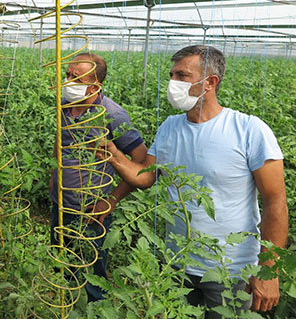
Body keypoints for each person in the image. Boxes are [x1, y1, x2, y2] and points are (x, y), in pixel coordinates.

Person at [103, 45, 288, 317]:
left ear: (210, 83)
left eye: (182, 76)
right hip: (176, 264)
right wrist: (114, 155)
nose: (172, 83)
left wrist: (269, 270)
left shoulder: (249, 130)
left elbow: (276, 202)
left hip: (230, 270)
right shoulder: (169, 127)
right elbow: (146, 177)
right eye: (172, 75)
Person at [49, 53, 147, 302]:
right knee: (62, 266)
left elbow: (142, 164)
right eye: (68, 74)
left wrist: (111, 200)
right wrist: (54, 180)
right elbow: (59, 144)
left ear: (95, 86)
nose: (68, 81)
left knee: (92, 277)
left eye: (76, 77)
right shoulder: (64, 105)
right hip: (60, 204)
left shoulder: (112, 115)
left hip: (92, 210)